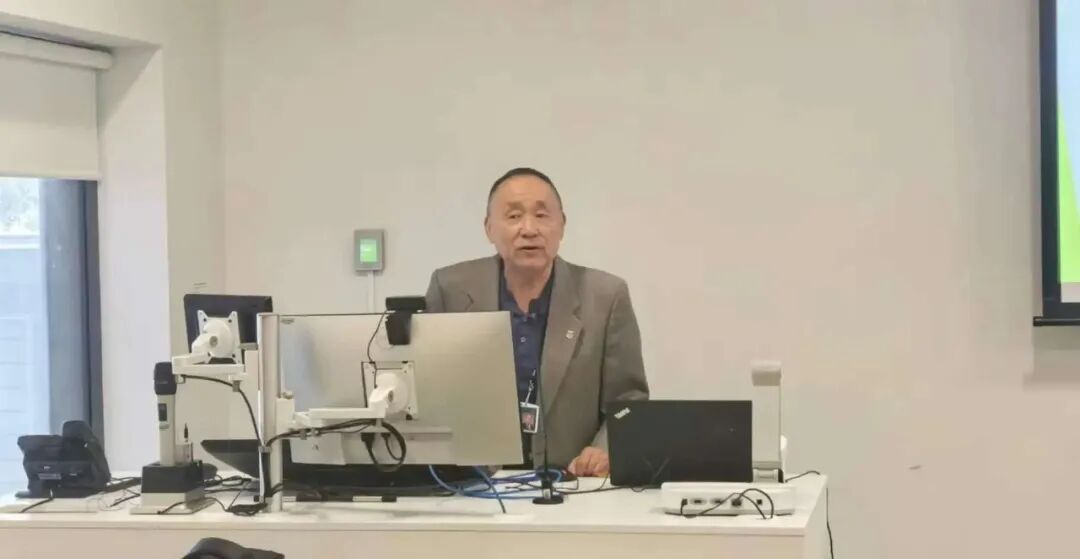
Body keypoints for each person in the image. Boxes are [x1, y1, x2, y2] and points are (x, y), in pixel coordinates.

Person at [425, 168, 649, 477]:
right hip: (474, 484)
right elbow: (428, 392)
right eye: (514, 216)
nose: (529, 229)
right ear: (489, 229)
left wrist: (605, 449)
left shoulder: (605, 296)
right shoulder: (450, 289)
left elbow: (628, 402)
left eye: (542, 215)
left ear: (562, 225)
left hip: (570, 483)